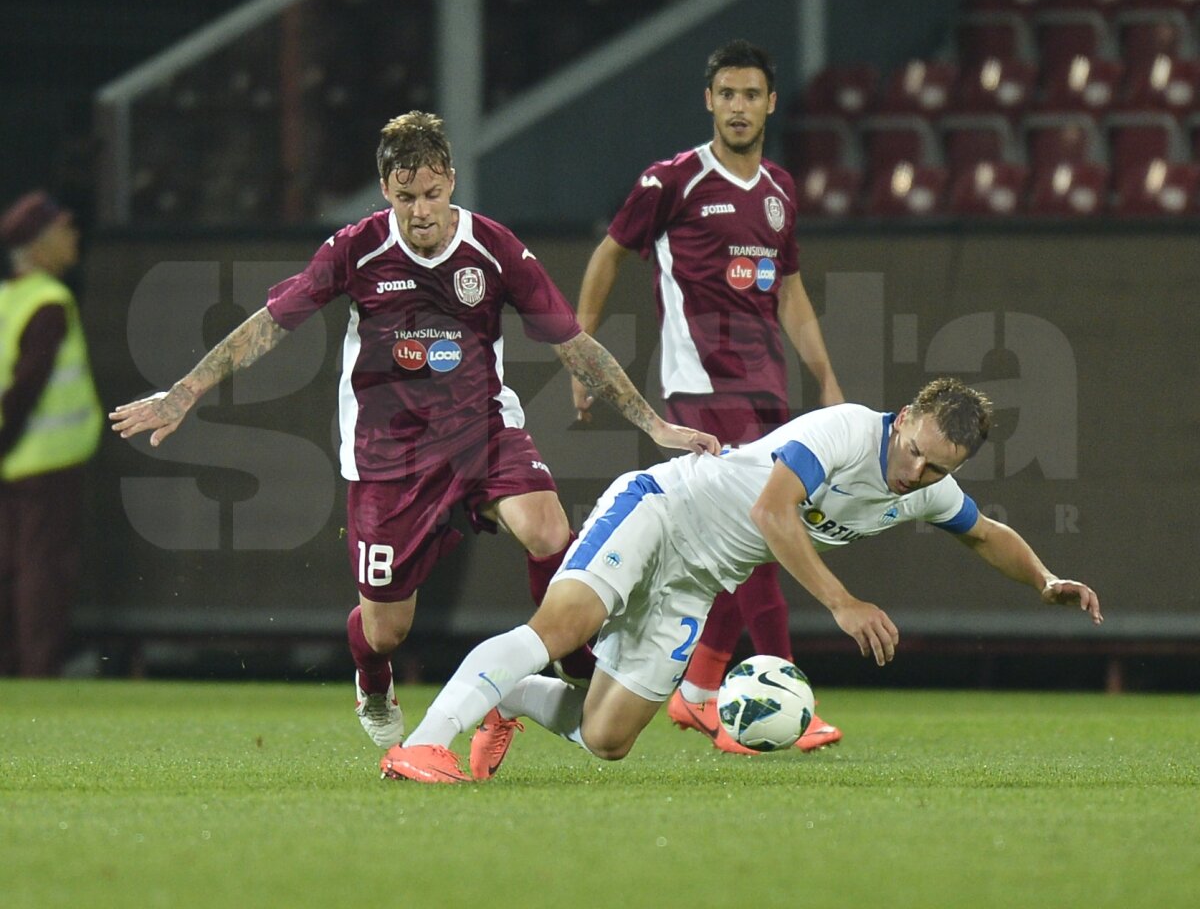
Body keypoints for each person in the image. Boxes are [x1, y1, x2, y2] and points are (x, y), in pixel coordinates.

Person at [110, 112, 718, 746]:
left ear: (451, 180)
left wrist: (653, 423)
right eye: (406, 197)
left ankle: (571, 660)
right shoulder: (357, 249)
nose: (421, 211)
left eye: (431, 193)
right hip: (389, 455)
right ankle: (373, 679)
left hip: (482, 431)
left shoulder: (494, 249)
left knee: (547, 528)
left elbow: (573, 343)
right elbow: (270, 324)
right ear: (385, 190)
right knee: (385, 630)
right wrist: (185, 392)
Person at [381, 377, 1103, 783]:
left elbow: (984, 532)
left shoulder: (925, 490)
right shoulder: (847, 431)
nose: (917, 473)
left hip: (695, 581)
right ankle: (423, 744)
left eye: (938, 468)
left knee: (606, 739)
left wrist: (1044, 579)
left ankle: (507, 695)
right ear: (905, 417)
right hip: (661, 510)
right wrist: (843, 602)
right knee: (562, 628)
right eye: (916, 451)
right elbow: (772, 511)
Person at [572, 39, 845, 754]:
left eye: (751, 94)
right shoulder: (673, 181)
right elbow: (608, 253)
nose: (739, 107)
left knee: (742, 550)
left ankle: (698, 693)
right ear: (709, 101)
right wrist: (582, 351)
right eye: (727, 94)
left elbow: (790, 292)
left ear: (771, 103)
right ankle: (788, 692)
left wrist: (825, 377)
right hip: (699, 391)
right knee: (764, 530)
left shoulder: (780, 190)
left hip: (766, 392)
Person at [0, 191, 103, 676]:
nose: (73, 236)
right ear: (39, 244)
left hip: (13, 462)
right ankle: (38, 671)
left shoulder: (7, 299)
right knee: (42, 570)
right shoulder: (49, 303)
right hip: (43, 460)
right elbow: (25, 389)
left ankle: (12, 668)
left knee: (10, 566)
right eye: (64, 228)